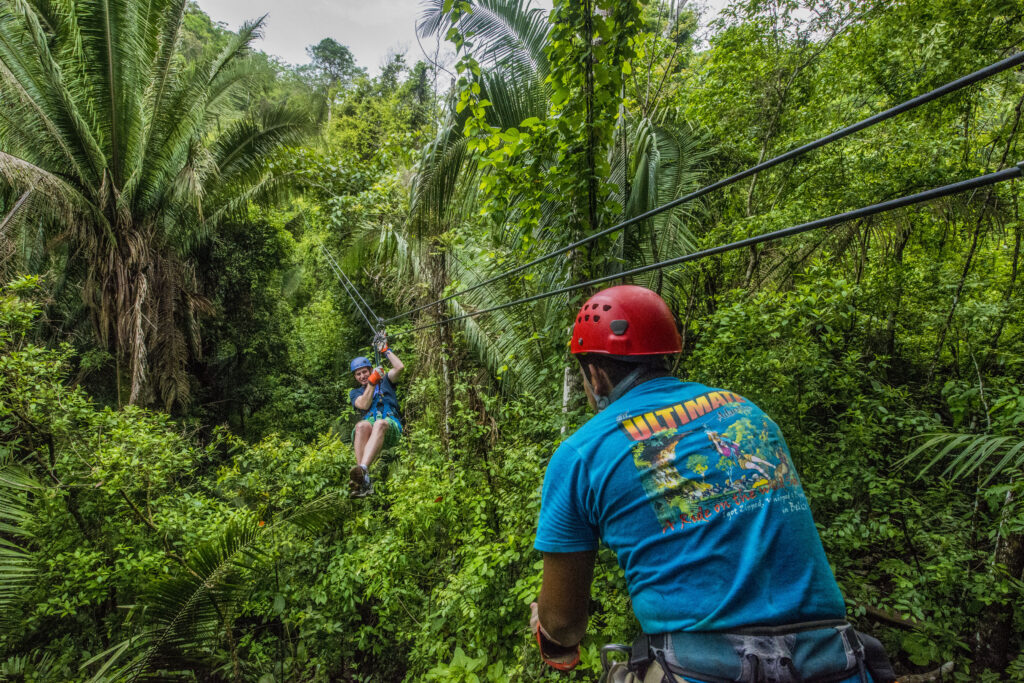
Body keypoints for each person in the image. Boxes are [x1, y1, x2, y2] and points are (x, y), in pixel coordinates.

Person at [530, 285, 895, 682]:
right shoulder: (748, 411)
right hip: (832, 662)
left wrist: (548, 628)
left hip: (699, 670)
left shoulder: (582, 452)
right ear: (667, 355)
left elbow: (564, 624)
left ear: (596, 375)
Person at [348, 335, 404, 497]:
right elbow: (363, 405)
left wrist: (385, 350)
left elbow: (400, 368)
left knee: (379, 423)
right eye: (358, 374)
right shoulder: (355, 393)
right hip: (368, 429)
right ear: (355, 378)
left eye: (364, 372)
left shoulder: (386, 381)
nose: (362, 376)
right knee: (361, 425)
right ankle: (363, 481)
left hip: (389, 425)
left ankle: (363, 472)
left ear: (370, 370)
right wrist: (372, 383)